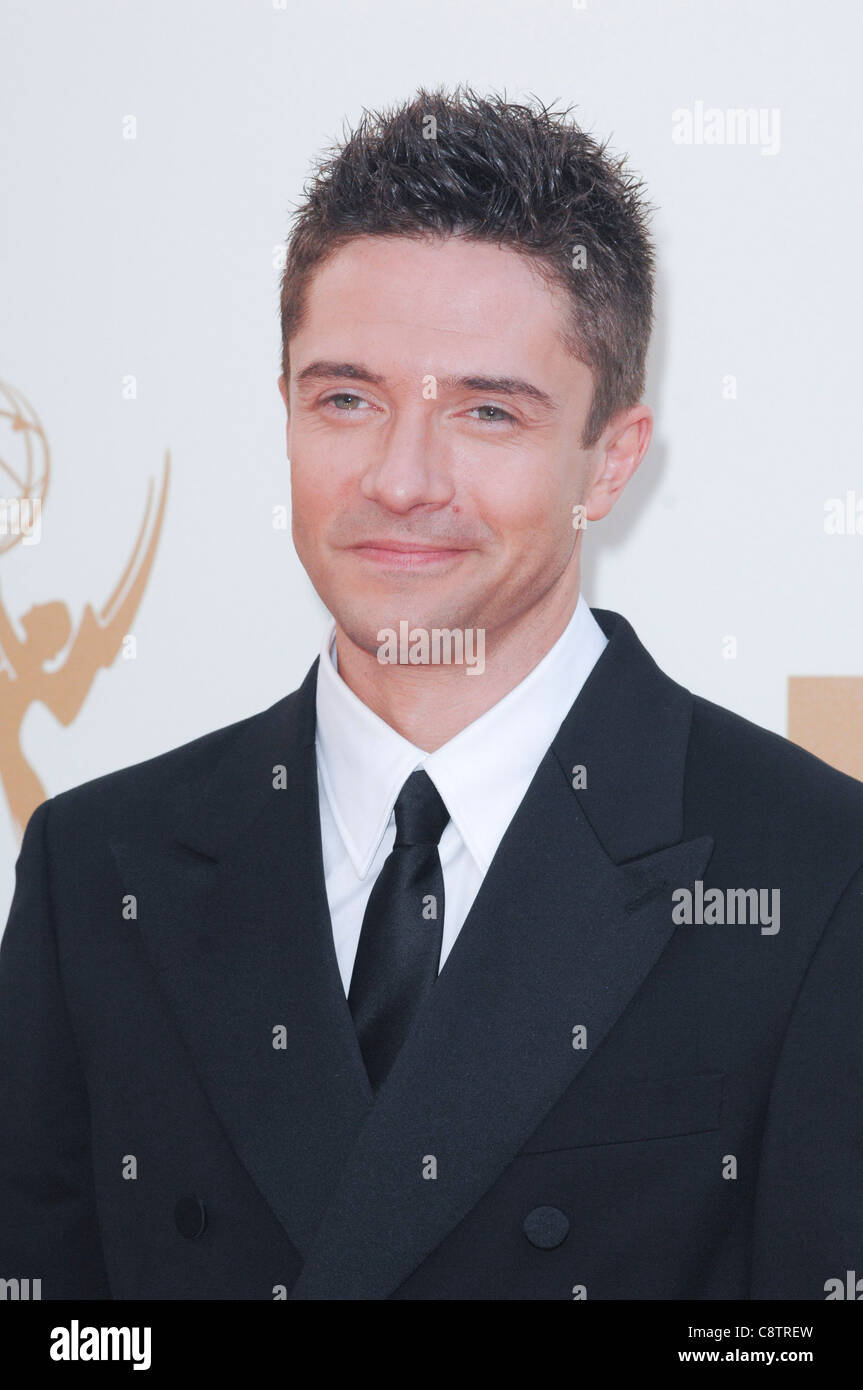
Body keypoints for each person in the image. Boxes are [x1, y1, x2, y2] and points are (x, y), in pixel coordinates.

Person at [2, 85, 862, 1302]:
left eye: (486, 411)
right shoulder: (98, 869)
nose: (401, 480)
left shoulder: (815, 876)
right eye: (346, 398)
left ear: (607, 461)